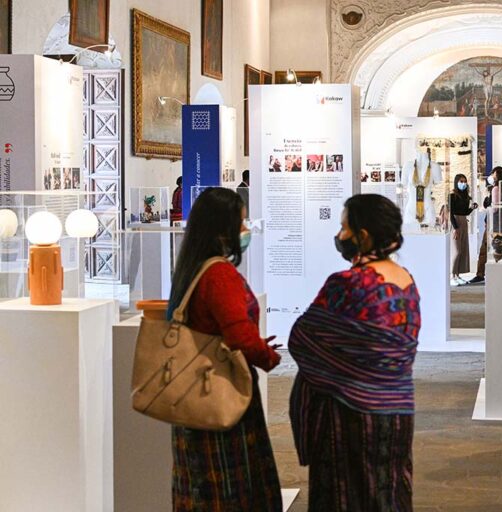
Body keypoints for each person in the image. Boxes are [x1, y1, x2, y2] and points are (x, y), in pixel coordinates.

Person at [289, 194, 421, 511]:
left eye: (344, 228)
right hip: (398, 410)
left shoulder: (346, 284)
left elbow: (301, 339)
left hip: (350, 416)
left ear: (363, 236)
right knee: (388, 492)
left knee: (347, 496)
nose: (339, 236)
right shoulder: (407, 281)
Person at [167, 187, 283, 511]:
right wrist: (267, 356)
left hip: (194, 394)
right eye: (242, 223)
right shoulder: (219, 274)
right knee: (228, 484)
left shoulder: (192, 267)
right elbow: (240, 337)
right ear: (223, 229)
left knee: (200, 483)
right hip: (220, 394)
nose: (245, 231)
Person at [468, 167, 502, 284]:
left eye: (493, 174)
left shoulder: (495, 189)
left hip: (493, 224)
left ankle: (480, 274)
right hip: (501, 223)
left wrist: (488, 201)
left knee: (484, 249)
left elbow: (494, 209)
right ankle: (499, 274)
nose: (491, 176)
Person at [449, 173, 478, 284]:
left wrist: (472, 208)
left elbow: (465, 212)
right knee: (457, 251)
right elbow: (451, 213)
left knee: (462, 250)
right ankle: (452, 275)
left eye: (465, 181)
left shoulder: (466, 197)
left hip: (463, 222)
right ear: (456, 182)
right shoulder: (452, 196)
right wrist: (455, 228)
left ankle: (457, 274)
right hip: (456, 222)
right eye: (461, 181)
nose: (463, 183)